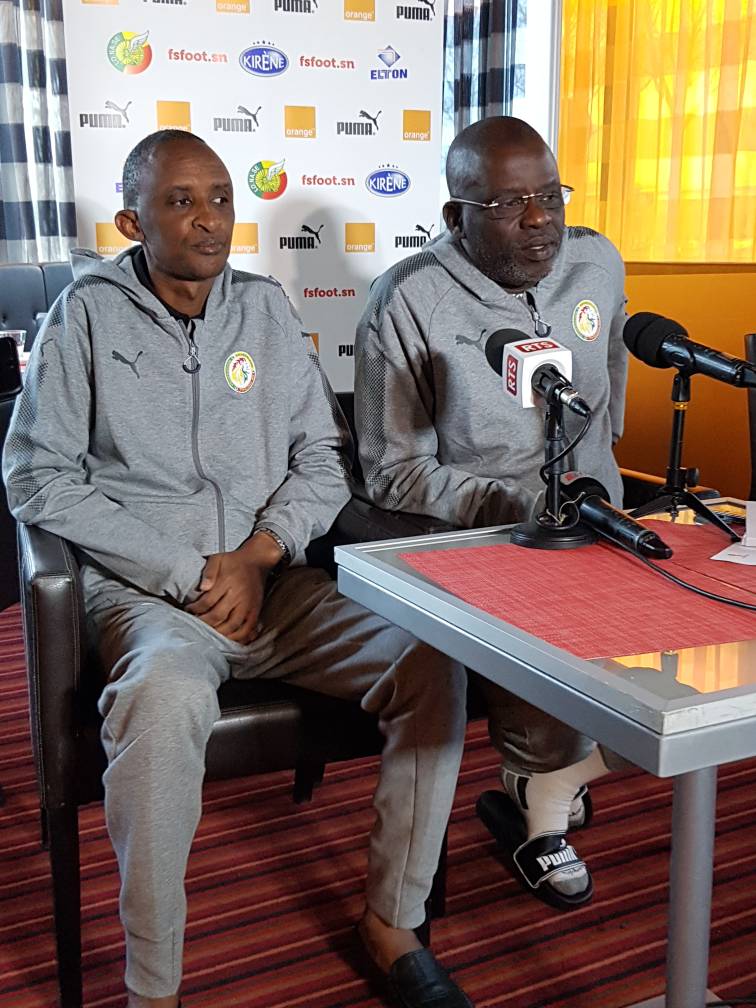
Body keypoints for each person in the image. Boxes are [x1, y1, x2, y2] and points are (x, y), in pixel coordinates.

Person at [3, 130, 475, 1008]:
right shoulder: (86, 315)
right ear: (131, 219)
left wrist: (259, 556)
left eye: (219, 198)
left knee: (430, 662)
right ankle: (155, 987)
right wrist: (190, 571)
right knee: (165, 697)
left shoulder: (263, 309)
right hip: (149, 597)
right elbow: (36, 476)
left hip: (277, 585)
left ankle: (391, 920)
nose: (208, 219)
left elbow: (323, 462)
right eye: (180, 201)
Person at [354, 116, 629, 912]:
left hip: (594, 519)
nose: (540, 220)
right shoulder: (408, 300)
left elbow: (608, 383)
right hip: (482, 532)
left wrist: (596, 485)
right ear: (455, 217)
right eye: (511, 204)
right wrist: (511, 504)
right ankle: (539, 809)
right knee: (551, 697)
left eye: (550, 195)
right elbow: (389, 469)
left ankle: (548, 776)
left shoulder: (599, 262)